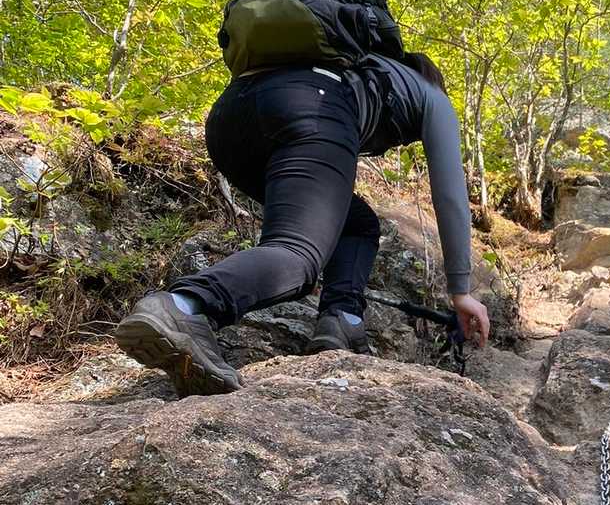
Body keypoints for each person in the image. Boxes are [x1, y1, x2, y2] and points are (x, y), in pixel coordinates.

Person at [115, 48, 490, 397]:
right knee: (297, 255)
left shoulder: (362, 66)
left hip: (231, 117)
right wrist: (461, 291)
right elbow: (450, 194)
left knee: (356, 223)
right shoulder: (431, 94)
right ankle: (184, 306)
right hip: (311, 104)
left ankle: (342, 319)